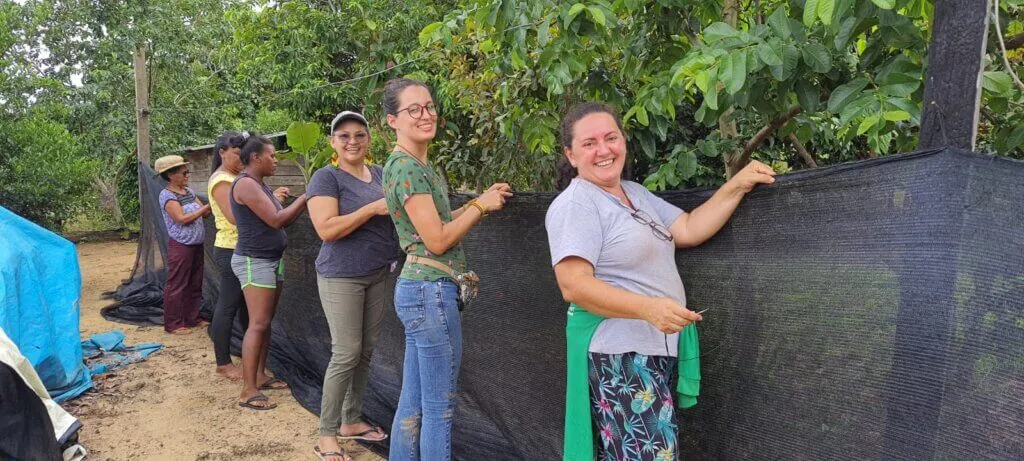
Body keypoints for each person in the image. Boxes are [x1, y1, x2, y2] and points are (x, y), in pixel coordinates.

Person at [546, 102, 776, 461]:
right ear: (570, 155)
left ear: (623, 141)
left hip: (653, 348)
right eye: (589, 143)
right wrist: (648, 309)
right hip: (620, 354)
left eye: (611, 137)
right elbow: (573, 285)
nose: (604, 149)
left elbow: (687, 228)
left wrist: (737, 185)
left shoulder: (634, 194)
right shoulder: (577, 204)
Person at [380, 78, 512, 460]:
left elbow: (433, 225)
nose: (426, 114)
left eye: (430, 106)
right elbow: (437, 241)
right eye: (414, 109)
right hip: (430, 293)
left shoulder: (420, 165)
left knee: (414, 403)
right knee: (440, 409)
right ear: (392, 120)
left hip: (419, 292)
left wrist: (480, 204)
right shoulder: (407, 167)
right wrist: (479, 206)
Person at [307, 111, 404, 460]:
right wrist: (372, 209)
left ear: (369, 139)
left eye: (359, 135)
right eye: (344, 135)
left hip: (377, 271)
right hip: (340, 275)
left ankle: (350, 419)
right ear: (333, 142)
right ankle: (327, 433)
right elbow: (326, 229)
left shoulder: (379, 174)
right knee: (346, 351)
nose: (352, 141)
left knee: (366, 349)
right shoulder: (326, 178)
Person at [229, 132, 308, 410]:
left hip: (271, 259)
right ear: (255, 158)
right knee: (258, 323)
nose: (275, 160)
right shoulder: (246, 185)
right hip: (254, 261)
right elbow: (276, 220)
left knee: (265, 322)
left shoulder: (260, 185)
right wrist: (308, 196)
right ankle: (248, 391)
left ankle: (260, 376)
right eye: (272, 155)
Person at [207, 132, 289, 381]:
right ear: (222, 153)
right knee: (228, 305)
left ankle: (253, 368)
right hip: (233, 247)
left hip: (251, 248)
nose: (240, 157)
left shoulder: (243, 179)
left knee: (251, 314)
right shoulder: (223, 180)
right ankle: (223, 362)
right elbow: (235, 216)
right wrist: (270, 202)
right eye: (235, 153)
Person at [155, 154, 211, 335]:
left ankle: (192, 318)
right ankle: (173, 323)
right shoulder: (167, 195)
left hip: (196, 243)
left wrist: (209, 208)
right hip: (181, 245)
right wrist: (204, 208)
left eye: (187, 172)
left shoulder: (189, 192)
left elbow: (205, 213)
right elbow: (181, 219)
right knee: (177, 283)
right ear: (171, 175)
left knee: (195, 282)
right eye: (184, 172)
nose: (187, 175)